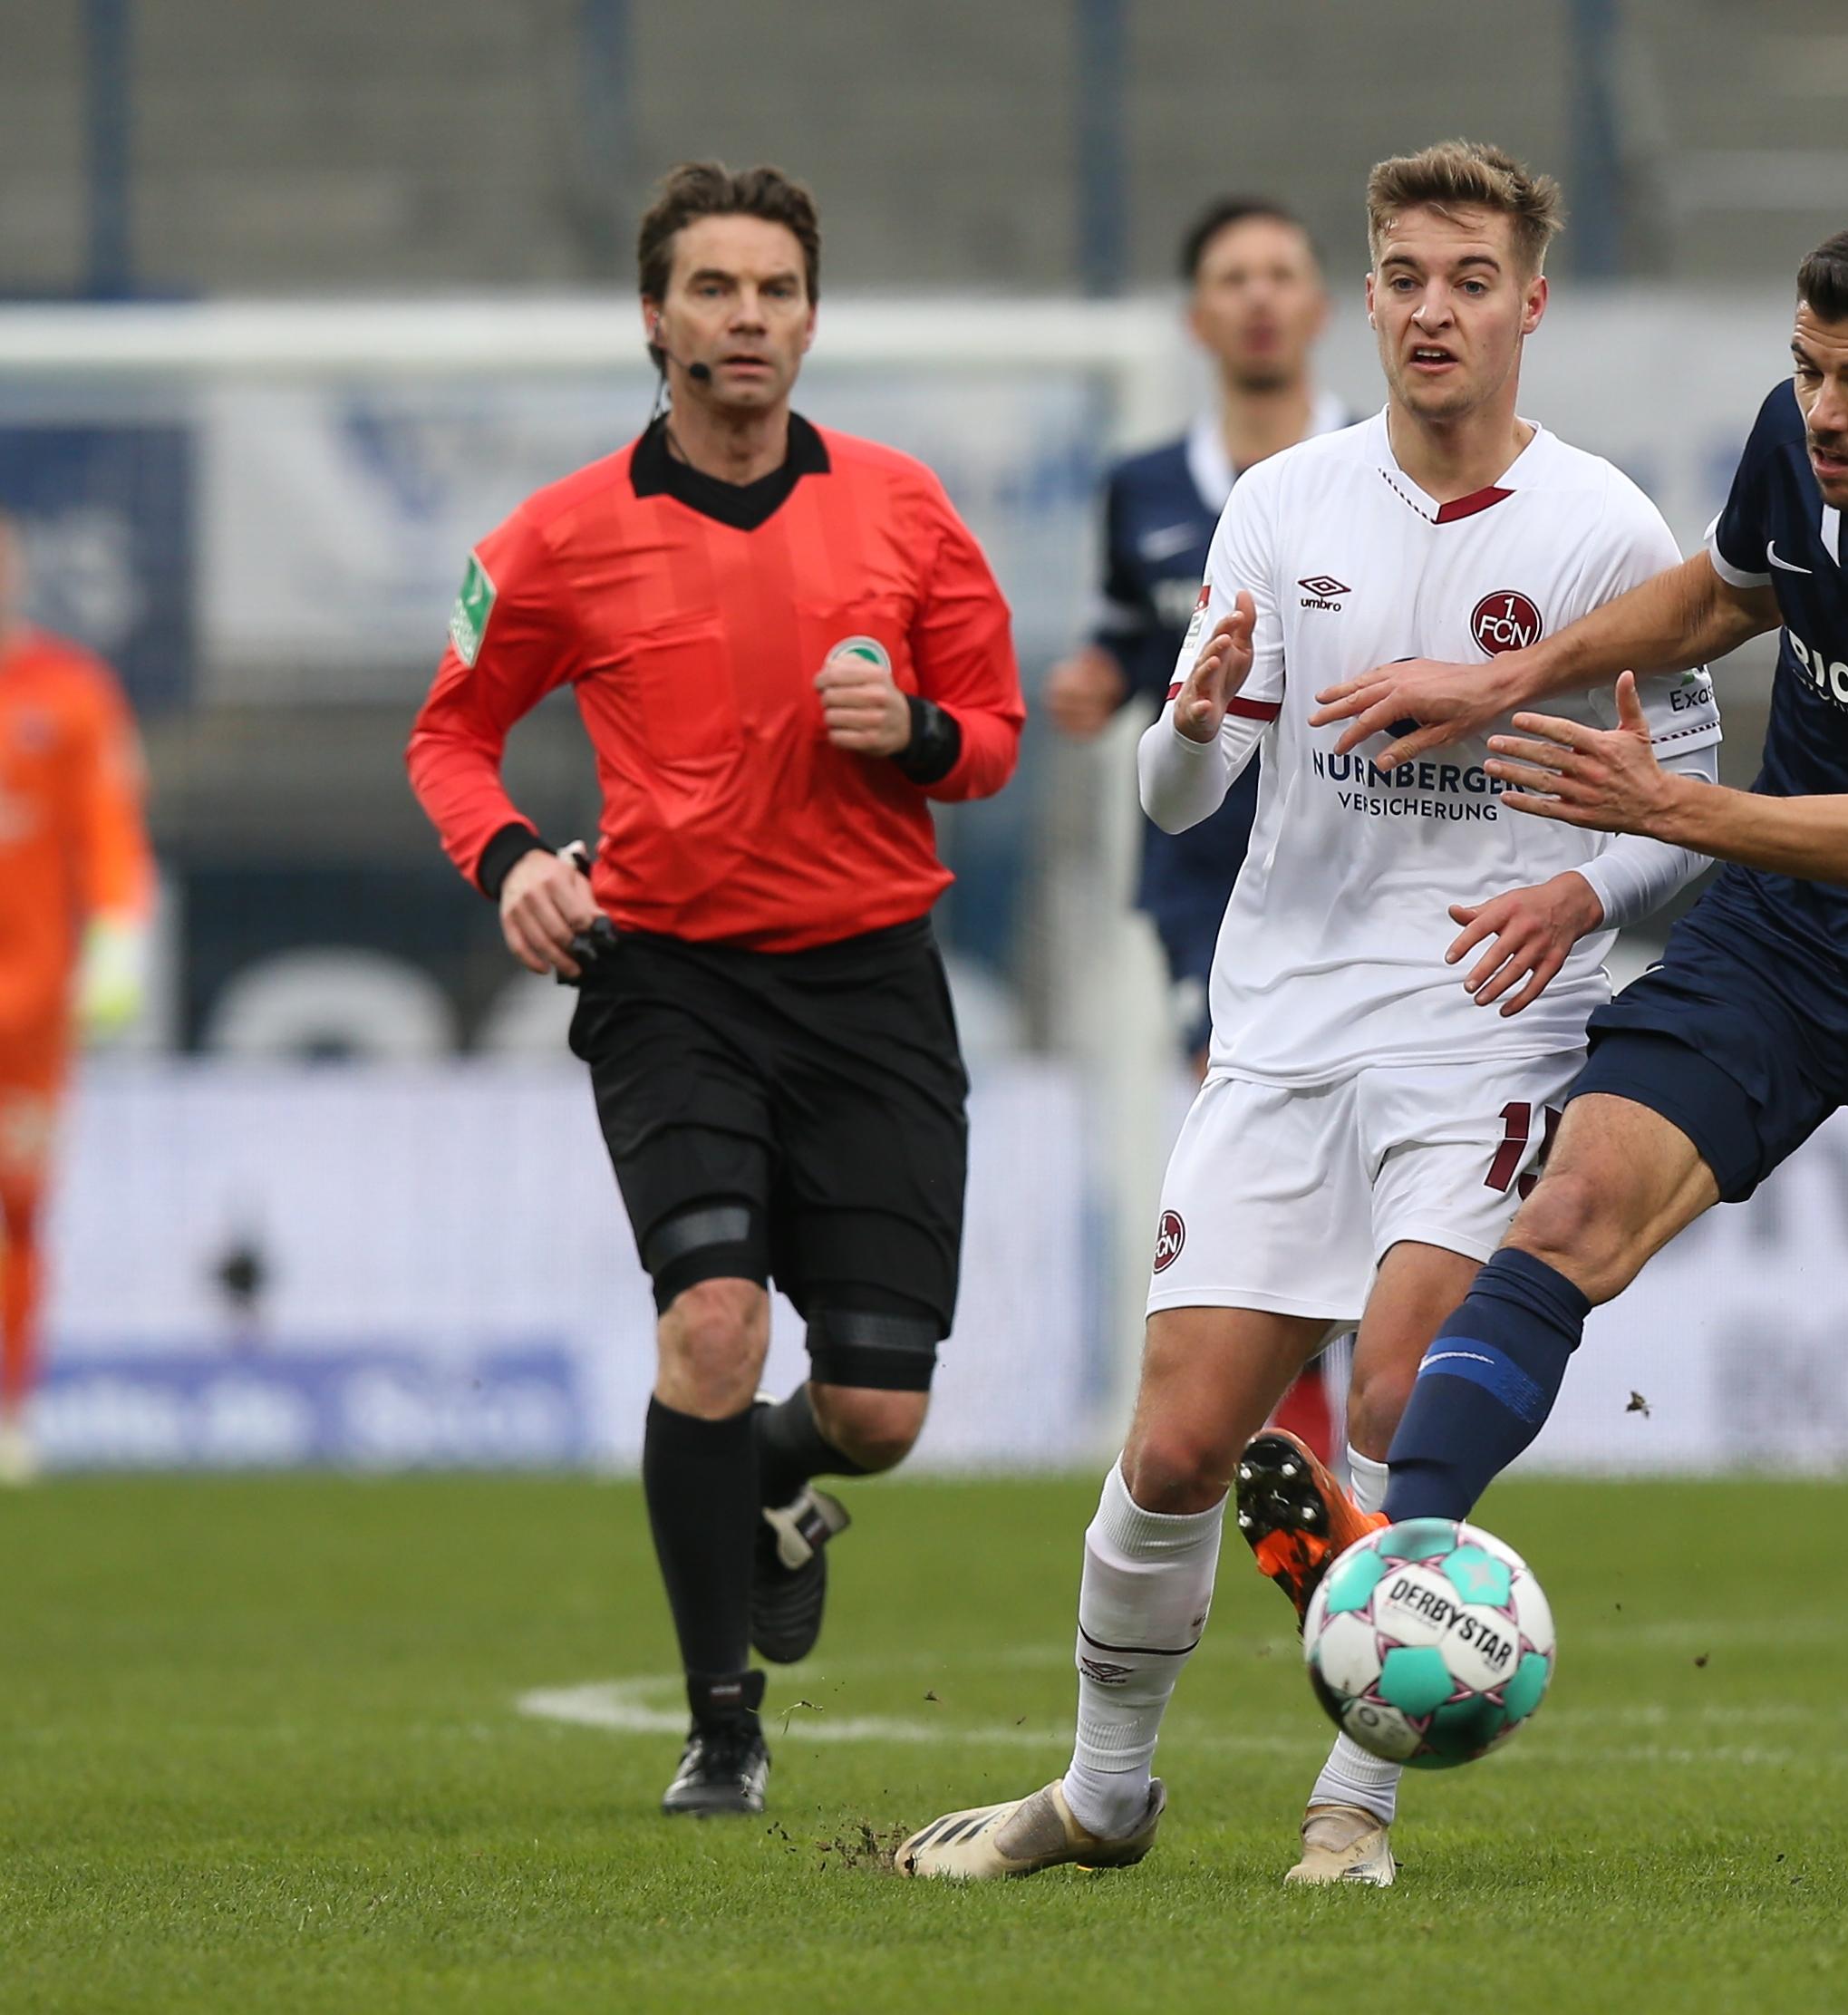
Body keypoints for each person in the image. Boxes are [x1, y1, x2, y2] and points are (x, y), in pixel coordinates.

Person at [1232, 218, 1848, 1883]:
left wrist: (1661, 806)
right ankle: (1396, 1558)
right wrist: (1513, 677)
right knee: (1567, 1221)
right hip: (1783, 935)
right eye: (1809, 370)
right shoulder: (1805, 447)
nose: (1826, 412)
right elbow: (1719, 595)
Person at [893, 140, 1722, 1890]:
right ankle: (1103, 1795)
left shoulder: (1606, 531)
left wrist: (1580, 893)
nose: (1435, 308)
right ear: (1372, 296)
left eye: (1471, 279)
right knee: (1184, 1441)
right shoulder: (1285, 501)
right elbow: (1182, 800)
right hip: (1279, 1027)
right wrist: (1190, 723)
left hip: (1489, 1025)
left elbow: (1690, 802)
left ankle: (1354, 1807)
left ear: (1531, 306)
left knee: (1412, 1394)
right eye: (1407, 276)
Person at [405, 161, 1024, 1815]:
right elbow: (450, 733)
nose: (745, 318)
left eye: (773, 291)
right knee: (711, 1321)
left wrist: (920, 734)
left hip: (873, 983)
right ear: (655, 317)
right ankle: (724, 1726)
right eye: (713, 289)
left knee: (880, 1408)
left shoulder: (904, 507)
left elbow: (996, 733)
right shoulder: (553, 536)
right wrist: (516, 858)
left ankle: (764, 1477)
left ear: (811, 319)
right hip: (668, 979)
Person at [1043, 196, 1350, 1458]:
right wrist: (1105, 675)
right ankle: (1305, 1460)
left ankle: (1342, 1440)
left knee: (1371, 1177)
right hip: (1208, 890)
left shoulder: (1376, 466)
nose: (1261, 296)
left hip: (1364, 876)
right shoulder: (1146, 488)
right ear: (1199, 316)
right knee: (1255, 1168)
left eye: (1283, 271)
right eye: (1234, 276)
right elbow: (1141, 628)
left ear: (1324, 304)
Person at [0, 509, 155, 1486]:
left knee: (16, 1206)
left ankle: (8, 1408)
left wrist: (118, 940)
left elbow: (108, 832)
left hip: (28, 1008)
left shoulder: (67, 690)